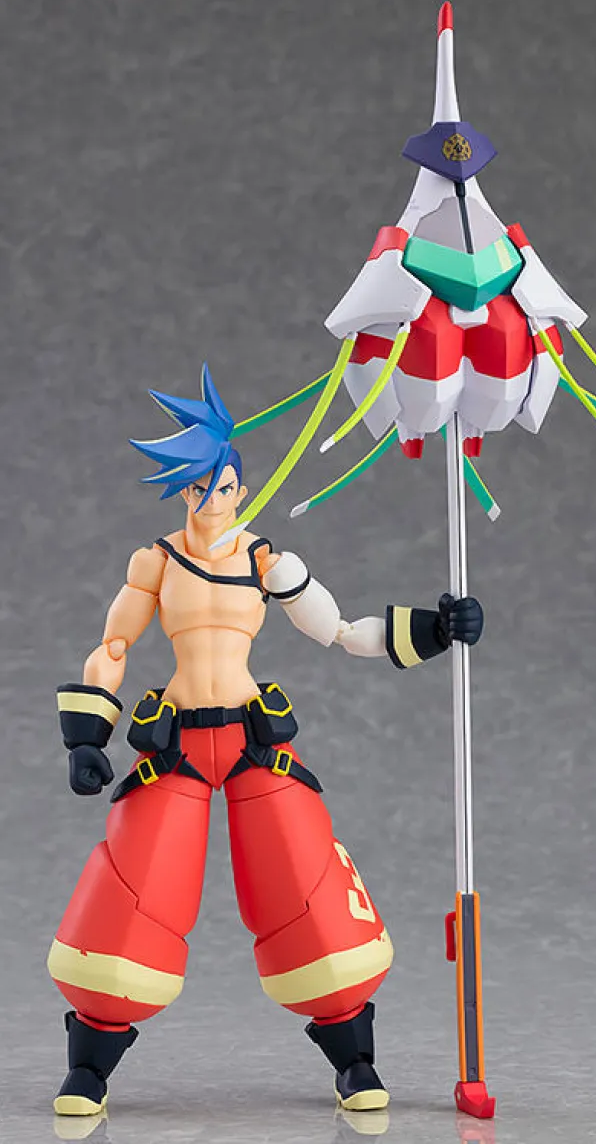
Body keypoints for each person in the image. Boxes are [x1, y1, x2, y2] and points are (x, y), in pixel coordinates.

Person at [49, 366, 483, 1117]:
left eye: (221, 487)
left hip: (254, 739)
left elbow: (340, 630)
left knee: (306, 887)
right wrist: (88, 736)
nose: (209, 501)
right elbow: (113, 645)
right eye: (196, 489)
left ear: (240, 489)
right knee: (134, 892)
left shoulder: (266, 560)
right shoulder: (155, 561)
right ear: (180, 492)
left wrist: (435, 630)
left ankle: (355, 1061)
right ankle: (89, 1066)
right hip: (177, 742)